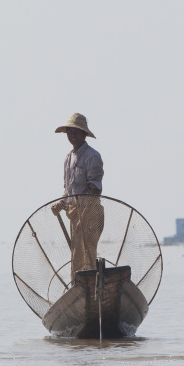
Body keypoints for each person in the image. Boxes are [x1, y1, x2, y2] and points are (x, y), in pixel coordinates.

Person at [51, 113, 105, 280]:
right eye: (69, 131)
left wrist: (85, 214)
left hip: (91, 211)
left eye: (76, 132)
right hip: (74, 212)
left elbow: (95, 189)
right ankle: (78, 285)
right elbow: (68, 189)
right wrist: (61, 203)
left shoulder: (92, 156)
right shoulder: (68, 158)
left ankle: (88, 283)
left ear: (84, 134)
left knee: (87, 250)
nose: (72, 135)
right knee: (76, 251)